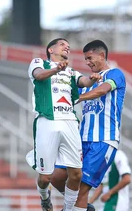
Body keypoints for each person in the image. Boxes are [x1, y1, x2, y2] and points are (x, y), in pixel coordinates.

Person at [49, 39, 126, 211]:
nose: (87, 62)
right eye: (85, 59)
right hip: (80, 141)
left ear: (102, 55)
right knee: (56, 177)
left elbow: (102, 90)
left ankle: (77, 206)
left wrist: (77, 98)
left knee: (82, 189)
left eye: (90, 58)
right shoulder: (88, 81)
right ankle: (82, 207)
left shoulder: (115, 74)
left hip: (104, 141)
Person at [28, 38, 102, 211]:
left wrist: (93, 79)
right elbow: (38, 75)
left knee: (76, 174)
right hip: (47, 121)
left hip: (69, 122)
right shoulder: (39, 63)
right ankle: (45, 196)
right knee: (46, 177)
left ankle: (68, 209)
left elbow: (83, 82)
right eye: (62, 45)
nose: (67, 47)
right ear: (51, 50)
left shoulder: (71, 72)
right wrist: (55, 69)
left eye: (69, 46)